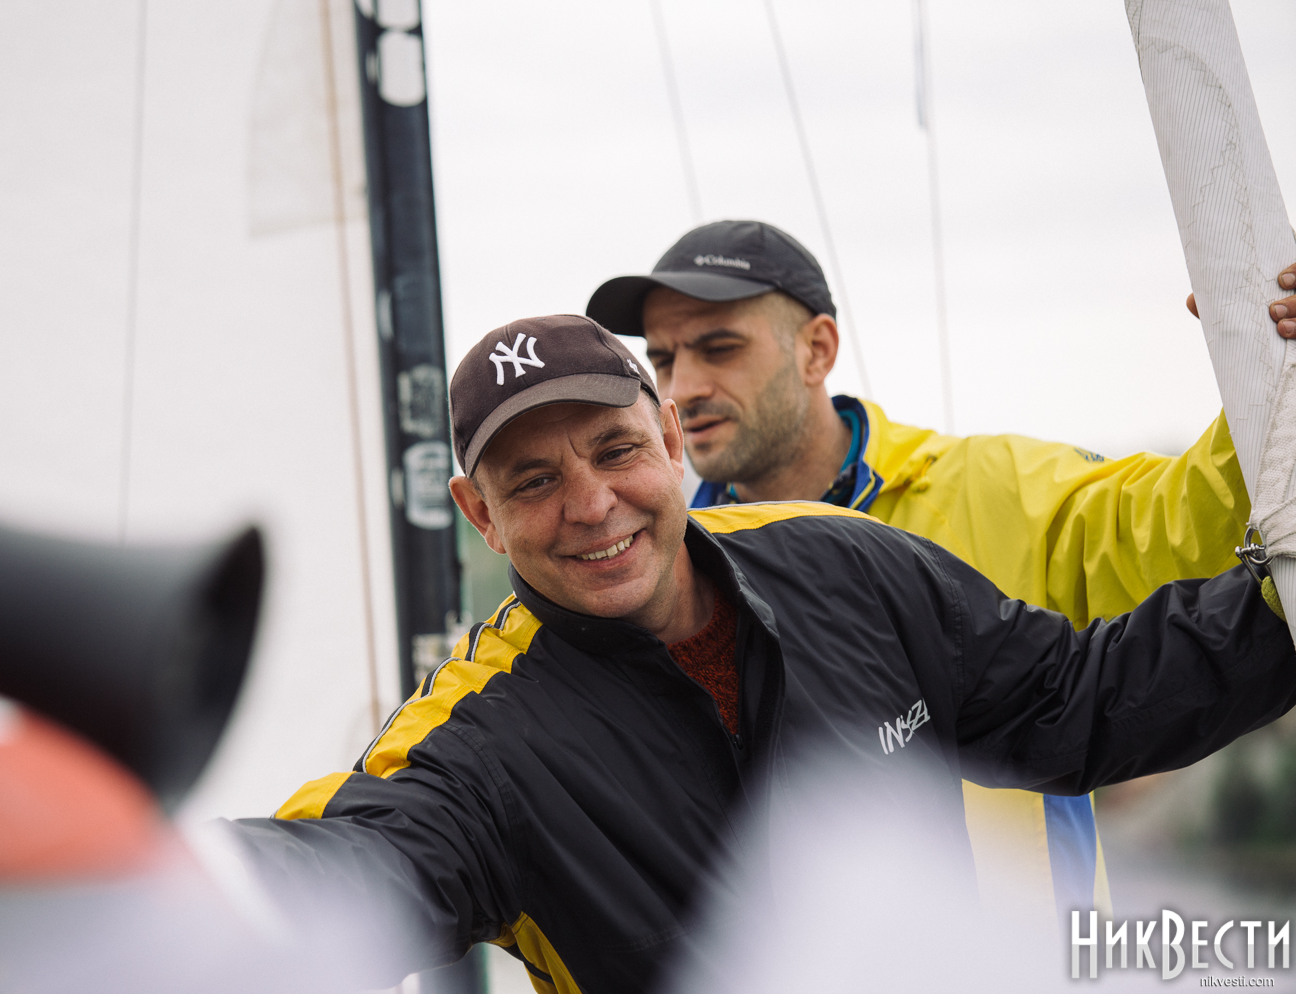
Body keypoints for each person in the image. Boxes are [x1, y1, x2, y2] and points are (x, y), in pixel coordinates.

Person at [229, 314, 1296, 994]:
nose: (592, 506)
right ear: (480, 514)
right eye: (534, 482)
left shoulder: (842, 563)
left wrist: (1284, 612)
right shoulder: (479, 742)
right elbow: (358, 862)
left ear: (669, 440)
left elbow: (1075, 699)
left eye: (614, 450)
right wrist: (163, 882)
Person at [586, 220, 1296, 930]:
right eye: (664, 359)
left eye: (719, 348)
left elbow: (1187, 527)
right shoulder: (661, 577)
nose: (683, 388)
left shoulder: (995, 490)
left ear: (817, 349)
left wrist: (1275, 374)